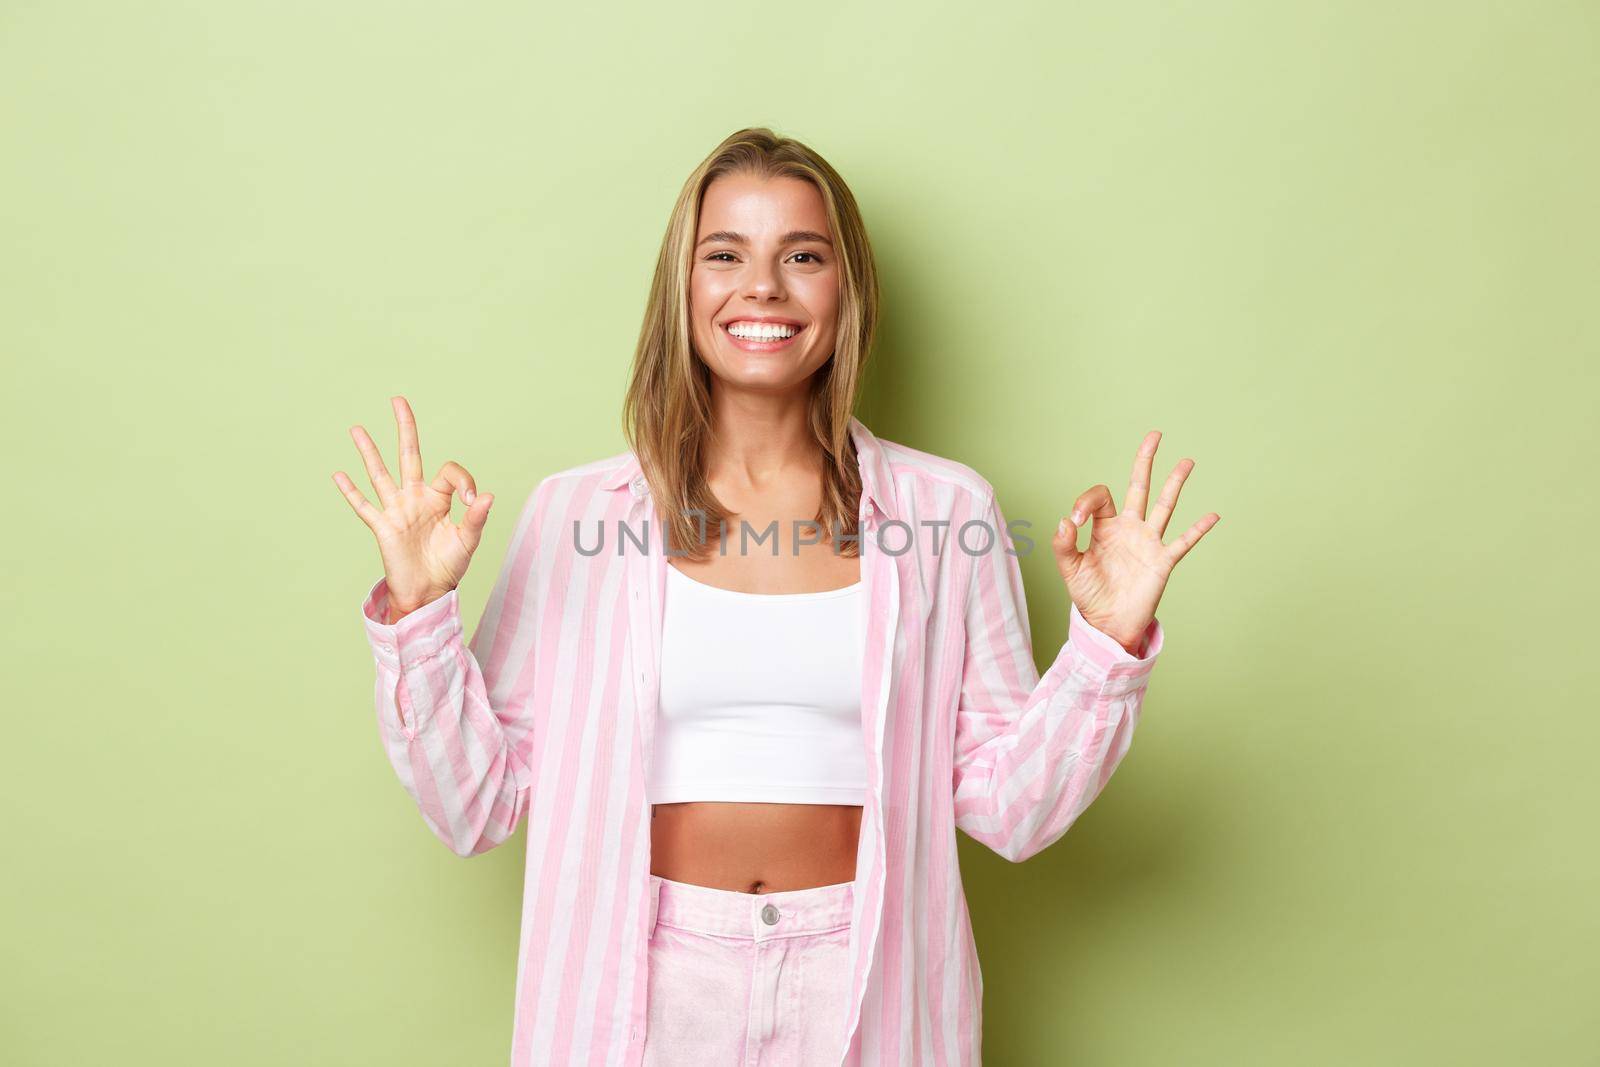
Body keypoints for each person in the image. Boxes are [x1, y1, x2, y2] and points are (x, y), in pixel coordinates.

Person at [332, 126, 1218, 1066]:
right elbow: (479, 803)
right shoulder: (575, 516)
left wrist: (1106, 645)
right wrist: (420, 613)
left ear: (848, 288)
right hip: (643, 975)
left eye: (802, 255)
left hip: (863, 972)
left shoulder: (946, 512)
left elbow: (1011, 809)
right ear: (685, 288)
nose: (763, 286)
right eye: (726, 255)